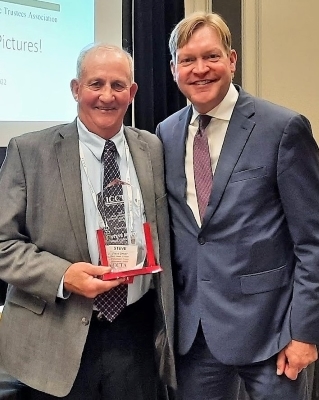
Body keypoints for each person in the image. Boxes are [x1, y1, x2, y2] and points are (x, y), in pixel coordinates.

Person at [156, 11, 319, 400]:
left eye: (211, 57)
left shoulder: (282, 128)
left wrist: (306, 333)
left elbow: (312, 240)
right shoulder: (167, 132)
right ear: (174, 69)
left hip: (273, 334)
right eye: (188, 60)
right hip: (196, 333)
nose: (200, 70)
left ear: (232, 60)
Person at [0, 43, 176, 399]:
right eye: (95, 84)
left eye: (117, 85)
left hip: (135, 336)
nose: (106, 96)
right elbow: (3, 244)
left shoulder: (153, 149)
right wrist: (63, 276)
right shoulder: (30, 151)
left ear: (133, 92)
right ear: (76, 89)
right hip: (55, 333)